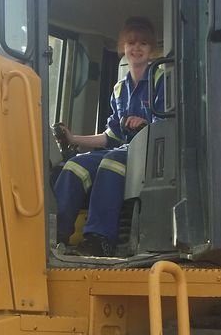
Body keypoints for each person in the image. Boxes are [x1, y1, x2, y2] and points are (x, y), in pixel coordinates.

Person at [54, 16, 164, 257]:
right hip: (123, 150)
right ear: (123, 47)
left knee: (111, 162)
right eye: (132, 43)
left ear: (151, 49)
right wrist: (74, 140)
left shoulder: (160, 79)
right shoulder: (118, 90)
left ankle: (99, 238)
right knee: (74, 166)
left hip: (150, 153)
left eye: (143, 43)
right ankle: (56, 235)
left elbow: (165, 127)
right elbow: (111, 136)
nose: (137, 48)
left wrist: (146, 125)